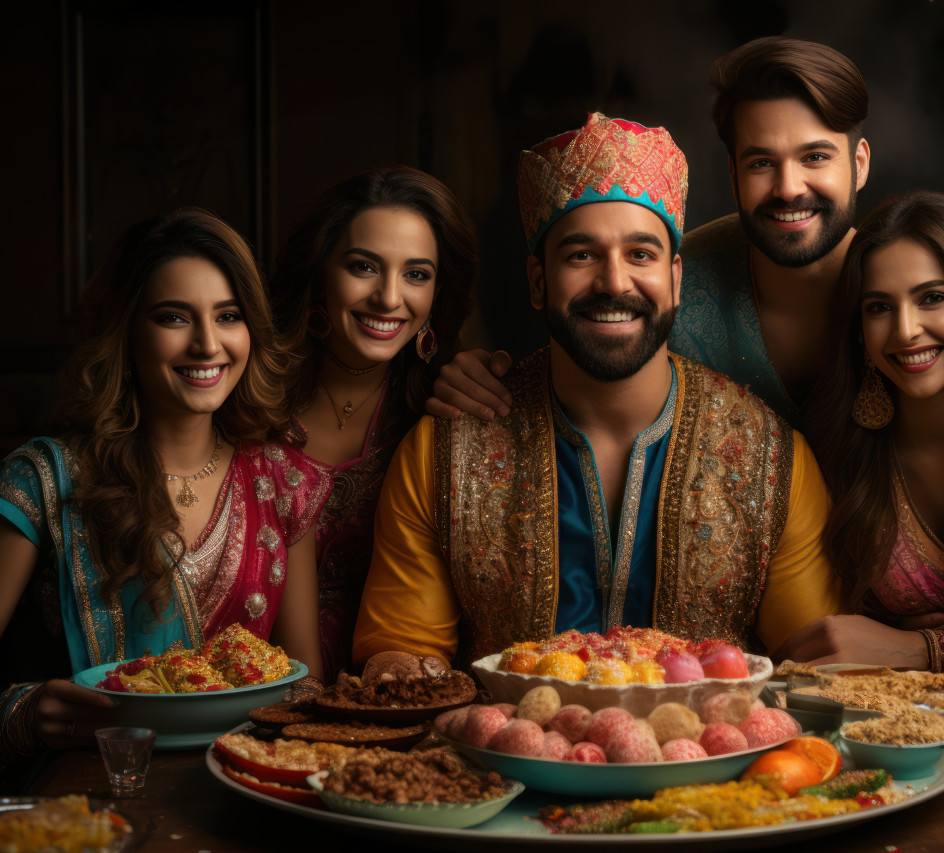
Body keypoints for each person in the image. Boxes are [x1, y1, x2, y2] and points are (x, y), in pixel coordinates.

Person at [353, 113, 840, 668]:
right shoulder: (444, 452)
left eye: (640, 254)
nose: (613, 282)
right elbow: (400, 653)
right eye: (581, 255)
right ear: (538, 281)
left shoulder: (771, 461)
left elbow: (812, 669)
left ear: (676, 278)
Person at [0, 209, 331, 769]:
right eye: (174, 317)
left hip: (246, 786)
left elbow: (305, 689)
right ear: (126, 335)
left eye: (228, 316)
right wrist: (25, 713)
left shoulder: (281, 482)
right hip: (91, 788)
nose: (207, 344)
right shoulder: (47, 479)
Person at [424, 37, 868, 429]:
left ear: (859, 164)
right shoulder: (662, 287)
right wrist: (479, 377)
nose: (788, 188)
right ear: (734, 178)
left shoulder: (917, 285)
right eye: (762, 163)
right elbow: (563, 376)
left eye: (815, 157)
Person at [773, 191, 944, 680]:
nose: (905, 330)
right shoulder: (834, 451)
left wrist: (931, 648)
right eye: (879, 307)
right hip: (903, 722)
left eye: (932, 298)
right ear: (858, 328)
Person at [270, 167, 476, 680]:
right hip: (248, 675)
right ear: (321, 272)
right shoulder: (247, 392)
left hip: (393, 676)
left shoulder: (442, 406)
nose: (388, 297)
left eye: (416, 274)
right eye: (364, 266)